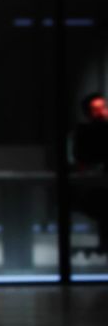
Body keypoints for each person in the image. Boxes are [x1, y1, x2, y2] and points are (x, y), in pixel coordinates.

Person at [70, 92, 108, 253]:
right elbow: (80, 158)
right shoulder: (83, 132)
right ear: (87, 112)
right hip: (93, 187)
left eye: (103, 108)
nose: (100, 112)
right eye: (95, 109)